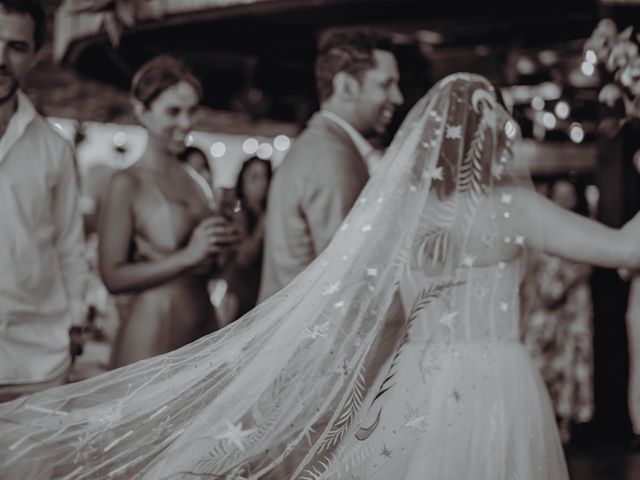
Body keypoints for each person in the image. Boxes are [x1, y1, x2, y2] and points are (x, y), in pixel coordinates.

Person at [3, 73, 640, 479]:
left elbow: (359, 290)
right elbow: (623, 249)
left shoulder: (405, 215)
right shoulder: (513, 207)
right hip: (495, 378)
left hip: (414, 381)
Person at [99, 56, 241, 368]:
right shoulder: (127, 182)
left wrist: (225, 248)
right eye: (173, 111)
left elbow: (210, 268)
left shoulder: (195, 180)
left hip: (204, 328)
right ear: (142, 111)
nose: (186, 123)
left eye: (192, 110)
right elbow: (112, 276)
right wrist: (188, 256)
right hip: (153, 335)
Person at [258, 28, 404, 301]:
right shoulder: (332, 156)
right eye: (386, 84)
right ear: (346, 86)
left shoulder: (322, 144)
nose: (398, 97)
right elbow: (350, 278)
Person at [0, 0, 88, 402]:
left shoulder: (53, 148)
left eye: (16, 47)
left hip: (38, 358)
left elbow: (70, 244)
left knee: (33, 468)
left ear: (35, 55)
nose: (0, 58)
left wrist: (76, 323)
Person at [520, 178, 594, 442]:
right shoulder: (538, 232)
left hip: (570, 310)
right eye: (559, 194)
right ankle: (543, 419)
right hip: (543, 308)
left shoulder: (585, 231)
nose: (564, 200)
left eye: (569, 195)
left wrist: (560, 285)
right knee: (539, 364)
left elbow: (583, 267)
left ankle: (566, 425)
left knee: (569, 364)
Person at [223, 156, 273, 321]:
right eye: (254, 177)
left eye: (265, 176)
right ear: (242, 181)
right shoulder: (238, 214)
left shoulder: (270, 211)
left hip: (266, 291)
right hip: (243, 293)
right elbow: (243, 258)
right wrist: (261, 228)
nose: (261, 183)